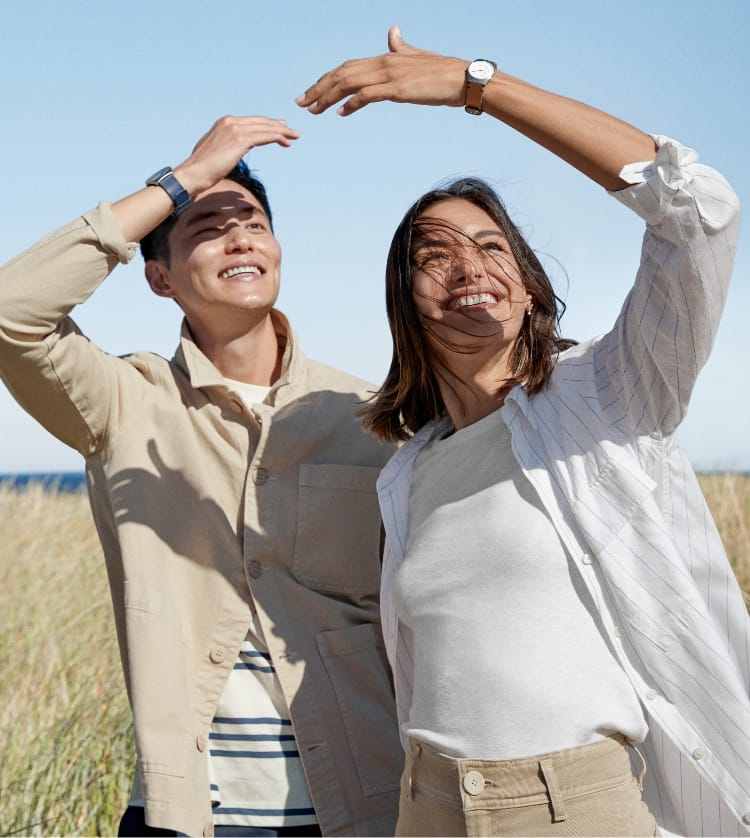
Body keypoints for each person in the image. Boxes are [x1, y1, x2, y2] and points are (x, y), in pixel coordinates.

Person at [297, 26, 750, 837]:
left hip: (571, 805)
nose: (468, 265)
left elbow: (701, 210)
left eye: (490, 245)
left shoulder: (609, 398)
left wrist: (480, 87)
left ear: (531, 291)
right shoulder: (408, 472)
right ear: (407, 302)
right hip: (427, 804)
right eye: (434, 255)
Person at [0, 116, 403, 837]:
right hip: (189, 817)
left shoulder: (368, 415)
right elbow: (13, 310)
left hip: (365, 808)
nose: (240, 236)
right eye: (207, 228)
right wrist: (181, 179)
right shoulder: (128, 402)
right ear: (158, 277)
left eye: (253, 222)